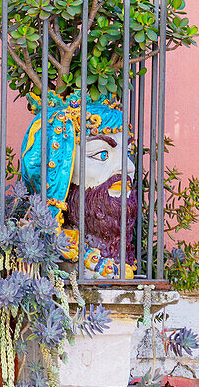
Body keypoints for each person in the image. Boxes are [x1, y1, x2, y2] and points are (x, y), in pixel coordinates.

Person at [21, 93, 137, 278]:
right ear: (62, 168)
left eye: (128, 152)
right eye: (102, 155)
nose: (128, 167)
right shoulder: (62, 248)